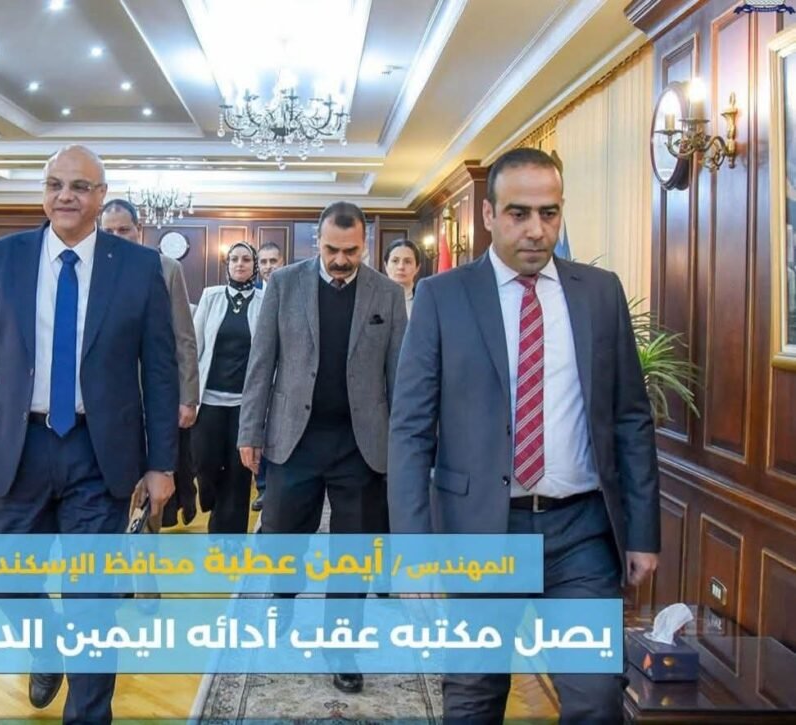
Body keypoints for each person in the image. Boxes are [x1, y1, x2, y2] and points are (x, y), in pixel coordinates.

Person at [388, 147, 659, 722]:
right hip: (482, 532)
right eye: (519, 213)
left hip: (581, 532)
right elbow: (410, 429)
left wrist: (642, 533)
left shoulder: (600, 293)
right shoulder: (443, 297)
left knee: (597, 697)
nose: (537, 229)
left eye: (549, 213)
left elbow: (630, 417)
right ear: (489, 214)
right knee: (474, 693)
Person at [0, 145, 178, 724]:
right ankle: (48, 648)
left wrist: (162, 462)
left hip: (101, 453)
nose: (65, 195)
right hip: (21, 447)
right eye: (54, 185)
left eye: (79, 186)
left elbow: (160, 371)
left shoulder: (139, 268)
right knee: (4, 580)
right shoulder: (1, 259)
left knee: (92, 602)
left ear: (100, 196)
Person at [237, 202, 407, 694]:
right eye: (332, 249)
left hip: (361, 443)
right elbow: (261, 362)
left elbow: (399, 375)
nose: (340, 259)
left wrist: (404, 447)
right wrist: (250, 431)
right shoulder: (283, 284)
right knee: (283, 534)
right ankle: (283, 598)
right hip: (294, 438)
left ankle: (342, 645)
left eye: (351, 251)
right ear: (317, 241)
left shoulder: (387, 293)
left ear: (365, 245)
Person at [100, 198, 200, 527]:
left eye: (123, 230)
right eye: (109, 231)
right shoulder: (89, 269)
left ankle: (147, 540)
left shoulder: (167, 268)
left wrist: (188, 397)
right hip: (105, 394)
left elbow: (184, 337)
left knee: (155, 477)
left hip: (154, 392)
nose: (117, 236)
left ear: (138, 229)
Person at [192, 242, 264, 533]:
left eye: (246, 259)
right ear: (227, 264)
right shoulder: (210, 296)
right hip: (208, 400)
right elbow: (195, 345)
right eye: (234, 259)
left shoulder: (265, 300)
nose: (240, 264)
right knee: (205, 463)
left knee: (238, 472)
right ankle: (212, 501)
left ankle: (228, 537)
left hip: (245, 404)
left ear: (254, 266)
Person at [252, 240, 286, 510]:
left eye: (273, 261)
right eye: (263, 262)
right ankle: (262, 486)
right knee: (258, 429)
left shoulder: (291, 291)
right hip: (258, 375)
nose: (268, 266)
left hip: (285, 375)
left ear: (282, 262)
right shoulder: (251, 295)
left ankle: (277, 485)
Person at [382, 238, 421, 316]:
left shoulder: (426, 301)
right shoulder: (372, 299)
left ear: (417, 268)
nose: (401, 267)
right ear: (386, 266)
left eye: (407, 262)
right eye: (395, 261)